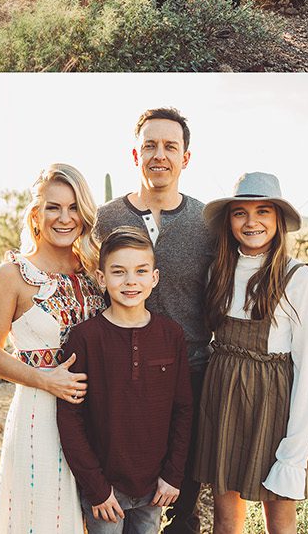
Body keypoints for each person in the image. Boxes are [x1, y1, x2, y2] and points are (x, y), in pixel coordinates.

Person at [96, 108, 212, 534]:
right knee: (116, 493)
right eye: (150, 145)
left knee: (181, 496)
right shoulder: (105, 219)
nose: (159, 155)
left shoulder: (207, 222)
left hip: (191, 370)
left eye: (170, 146)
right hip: (118, 372)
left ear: (186, 158)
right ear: (135, 154)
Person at [192, 173, 308, 533]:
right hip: (223, 402)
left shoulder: (298, 277)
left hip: (274, 405)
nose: (251, 222)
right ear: (229, 221)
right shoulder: (218, 271)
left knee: (279, 521)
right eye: (240, 213)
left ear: (278, 219)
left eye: (263, 211)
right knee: (225, 520)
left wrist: (294, 452)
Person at [0, 164, 107, 534]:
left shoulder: (96, 270)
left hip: (98, 417)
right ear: (36, 214)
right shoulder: (13, 276)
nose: (64, 218)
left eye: (74, 208)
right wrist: (46, 380)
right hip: (40, 417)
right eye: (54, 207)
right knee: (45, 519)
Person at [58, 227, 194, 534]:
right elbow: (70, 418)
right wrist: (96, 486)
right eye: (118, 272)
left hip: (155, 485)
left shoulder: (170, 335)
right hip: (106, 489)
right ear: (102, 279)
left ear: (154, 278)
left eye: (140, 271)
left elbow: (183, 409)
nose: (130, 281)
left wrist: (173, 475)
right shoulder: (85, 338)